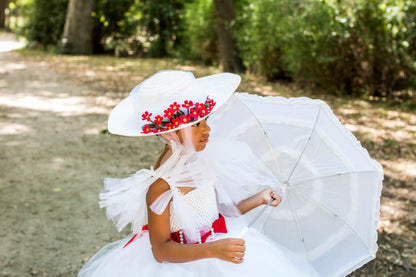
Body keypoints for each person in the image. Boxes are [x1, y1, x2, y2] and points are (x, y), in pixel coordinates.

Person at [78, 70, 311, 276]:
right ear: (170, 133)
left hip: (217, 249)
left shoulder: (201, 163)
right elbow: (160, 250)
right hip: (186, 262)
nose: (207, 128)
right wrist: (212, 250)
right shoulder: (161, 187)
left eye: (206, 120)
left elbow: (213, 215)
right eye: (196, 124)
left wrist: (258, 198)